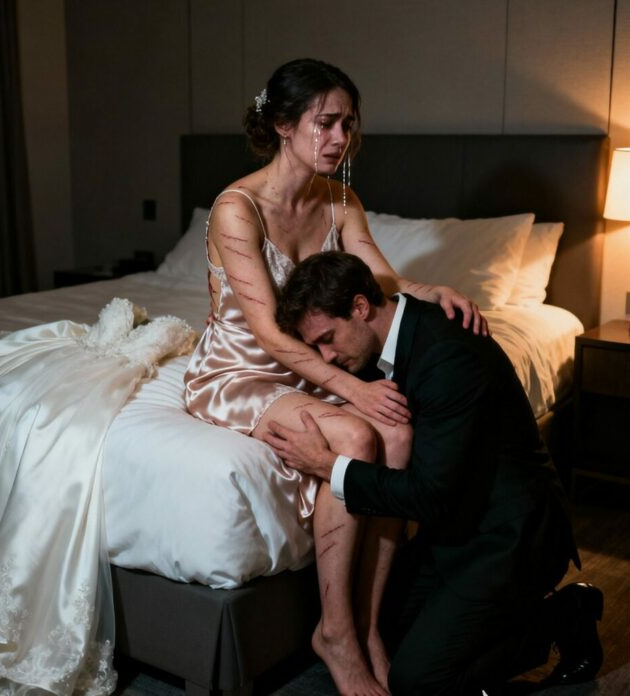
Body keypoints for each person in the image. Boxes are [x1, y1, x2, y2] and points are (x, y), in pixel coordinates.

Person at [184, 58, 486, 695]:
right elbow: (269, 334)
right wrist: (354, 388)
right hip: (242, 370)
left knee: (397, 433)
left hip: (313, 366)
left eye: (348, 124)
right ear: (284, 125)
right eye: (325, 123)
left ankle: (368, 625)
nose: (340, 138)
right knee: (356, 434)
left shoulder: (340, 200)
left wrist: (432, 291)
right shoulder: (236, 209)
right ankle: (335, 633)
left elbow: (379, 279)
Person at [264, 251, 605, 696]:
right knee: (381, 631)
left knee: (417, 682)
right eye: (316, 348)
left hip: (511, 537)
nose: (325, 357)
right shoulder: (381, 343)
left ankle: (564, 615)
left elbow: (432, 496)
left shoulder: (447, 355)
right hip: (451, 532)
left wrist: (328, 465)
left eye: (328, 339)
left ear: (361, 307)